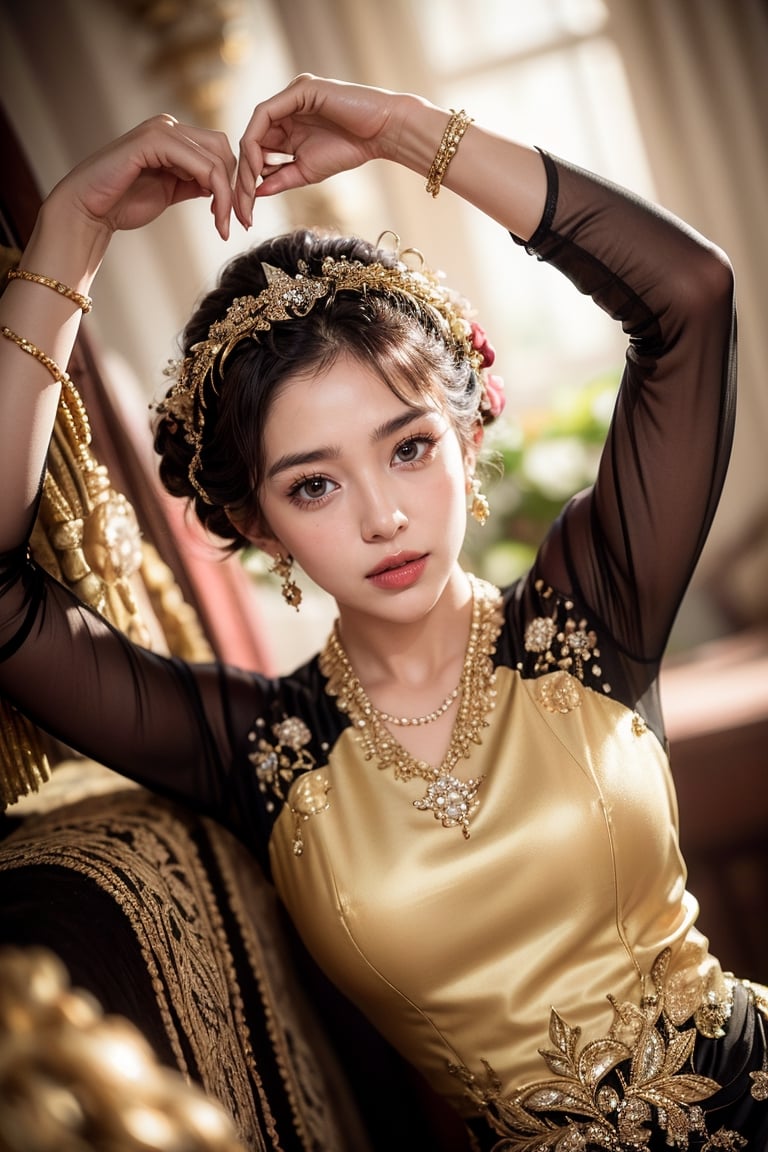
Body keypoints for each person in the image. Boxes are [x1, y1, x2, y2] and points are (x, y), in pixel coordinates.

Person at [0, 73, 765, 1150]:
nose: (382, 517)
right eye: (313, 484)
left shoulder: (590, 616)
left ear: (468, 442)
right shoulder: (258, 749)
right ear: (260, 526)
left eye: (409, 448)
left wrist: (407, 132)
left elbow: (690, 296)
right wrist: (66, 234)